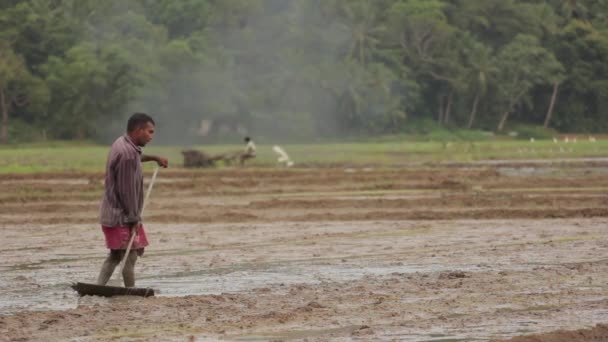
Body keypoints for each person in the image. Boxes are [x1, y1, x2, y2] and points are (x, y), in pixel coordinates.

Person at [97, 113, 168, 287]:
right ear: (138, 130)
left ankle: (98, 288)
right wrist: (134, 219)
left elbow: (136, 158)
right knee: (130, 255)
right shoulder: (128, 154)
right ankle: (130, 291)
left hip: (112, 212)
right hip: (122, 215)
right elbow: (126, 192)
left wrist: (153, 158)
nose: (152, 137)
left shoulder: (122, 144)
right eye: (150, 132)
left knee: (115, 255)